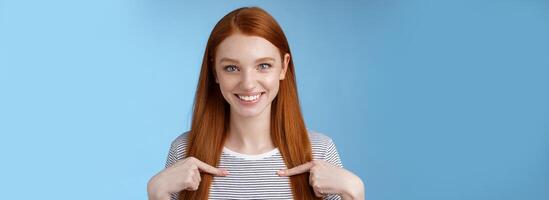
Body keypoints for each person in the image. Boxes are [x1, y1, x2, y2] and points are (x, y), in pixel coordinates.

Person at [147, 6, 365, 200]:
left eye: (263, 66)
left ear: (283, 66)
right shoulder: (185, 151)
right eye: (232, 68)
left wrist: (355, 192)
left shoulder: (320, 151)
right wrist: (157, 194)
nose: (248, 84)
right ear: (215, 72)